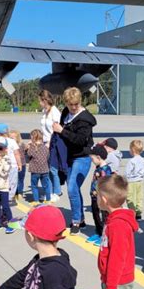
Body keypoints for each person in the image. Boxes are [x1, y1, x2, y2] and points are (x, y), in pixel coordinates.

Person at [87, 175, 139, 289]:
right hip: (118, 278)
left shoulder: (117, 225)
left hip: (116, 279)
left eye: (97, 194)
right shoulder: (115, 219)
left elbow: (117, 258)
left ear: (104, 199)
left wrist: (110, 284)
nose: (95, 197)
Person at [52, 87, 96, 235]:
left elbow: (80, 140)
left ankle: (76, 220)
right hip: (69, 156)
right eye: (70, 104)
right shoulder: (66, 112)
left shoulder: (85, 119)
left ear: (80, 102)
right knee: (74, 189)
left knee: (72, 188)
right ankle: (81, 219)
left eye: (76, 104)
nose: (73, 107)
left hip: (82, 157)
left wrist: (62, 131)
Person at [86, 144, 113, 245]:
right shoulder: (98, 167)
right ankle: (98, 232)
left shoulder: (105, 170)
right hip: (94, 196)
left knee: (104, 217)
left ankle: (104, 235)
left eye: (92, 158)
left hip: (101, 198)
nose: (92, 160)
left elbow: (106, 185)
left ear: (98, 157)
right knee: (95, 215)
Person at [38, 90, 62, 201]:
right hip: (45, 142)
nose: (39, 103)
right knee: (46, 169)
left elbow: (56, 129)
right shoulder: (44, 111)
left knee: (53, 169)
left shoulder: (55, 111)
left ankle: (57, 192)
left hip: (53, 143)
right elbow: (44, 129)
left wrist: (49, 142)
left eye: (40, 101)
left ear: (45, 100)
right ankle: (49, 192)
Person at [0, 137, 15, 234]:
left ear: (5, 149)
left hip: (3, 188)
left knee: (5, 207)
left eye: (0, 148)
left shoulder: (7, 159)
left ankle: (11, 223)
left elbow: (4, 173)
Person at [0, 122, 22, 202]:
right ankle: (10, 197)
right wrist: (19, 164)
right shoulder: (12, 141)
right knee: (12, 182)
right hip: (12, 165)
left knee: (1, 180)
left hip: (0, 165)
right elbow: (16, 154)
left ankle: (1, 195)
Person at [125, 139, 144, 231]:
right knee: (138, 197)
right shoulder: (143, 160)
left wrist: (125, 179)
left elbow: (127, 172)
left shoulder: (132, 161)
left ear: (132, 150)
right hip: (139, 181)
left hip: (131, 181)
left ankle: (132, 213)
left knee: (130, 198)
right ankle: (138, 213)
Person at [26, 129, 51, 204]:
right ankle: (48, 199)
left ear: (32, 138)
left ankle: (36, 200)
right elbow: (48, 157)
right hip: (44, 169)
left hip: (35, 170)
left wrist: (27, 147)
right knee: (46, 185)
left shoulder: (32, 147)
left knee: (34, 186)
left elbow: (28, 155)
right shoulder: (45, 147)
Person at [9, 130, 27, 198]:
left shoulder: (21, 144)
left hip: (22, 164)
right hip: (13, 165)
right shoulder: (9, 145)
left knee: (20, 179)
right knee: (12, 179)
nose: (12, 139)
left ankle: (20, 192)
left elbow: (26, 150)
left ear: (18, 138)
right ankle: (13, 192)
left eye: (14, 137)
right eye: (11, 137)